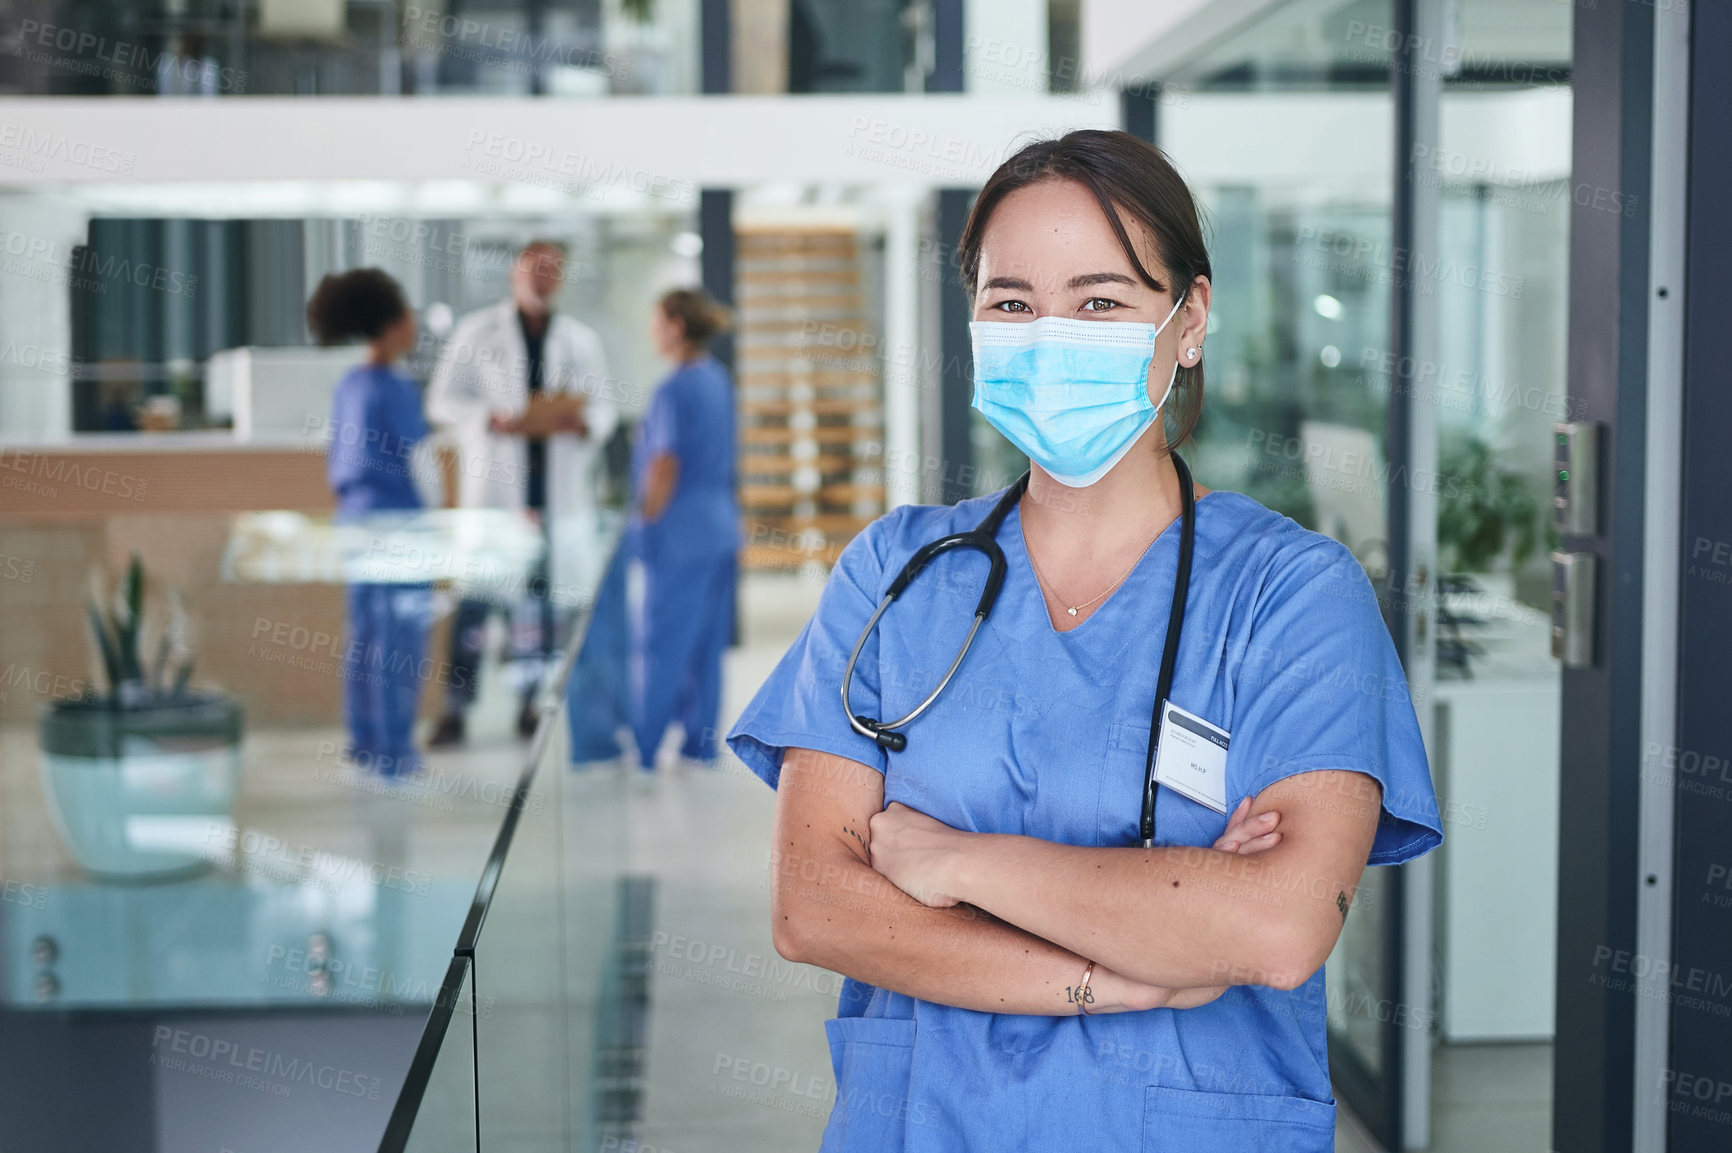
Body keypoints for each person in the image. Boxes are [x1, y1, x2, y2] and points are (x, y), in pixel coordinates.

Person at [725, 130, 1443, 1151]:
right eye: (1011, 302)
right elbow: (815, 907)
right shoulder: (897, 571)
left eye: (1100, 301)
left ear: (1188, 321)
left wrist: (954, 861)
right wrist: (1121, 973)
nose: (1049, 334)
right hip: (927, 1125)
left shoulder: (1291, 596)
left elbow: (1278, 927)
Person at [425, 240, 617, 744]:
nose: (542, 278)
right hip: (495, 493)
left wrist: (583, 424)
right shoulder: (477, 331)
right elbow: (442, 401)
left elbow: (605, 408)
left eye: (553, 270)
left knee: (539, 613)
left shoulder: (579, 339)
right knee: (474, 607)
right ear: (515, 273)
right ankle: (454, 710)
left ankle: (530, 705)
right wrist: (487, 418)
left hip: (553, 496)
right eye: (534, 268)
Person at [309, 268, 431, 779]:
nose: (415, 328)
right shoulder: (394, 389)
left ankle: (364, 744)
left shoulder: (350, 385)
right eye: (409, 319)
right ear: (391, 325)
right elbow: (422, 459)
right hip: (397, 520)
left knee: (365, 636)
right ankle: (395, 752)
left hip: (355, 519)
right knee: (399, 640)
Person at [626, 288, 741, 769]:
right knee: (707, 646)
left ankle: (646, 748)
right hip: (719, 526)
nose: (651, 331)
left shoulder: (672, 389)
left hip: (680, 533)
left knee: (662, 644)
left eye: (656, 321)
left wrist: (644, 522)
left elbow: (664, 464)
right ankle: (699, 743)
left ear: (674, 326)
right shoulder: (717, 380)